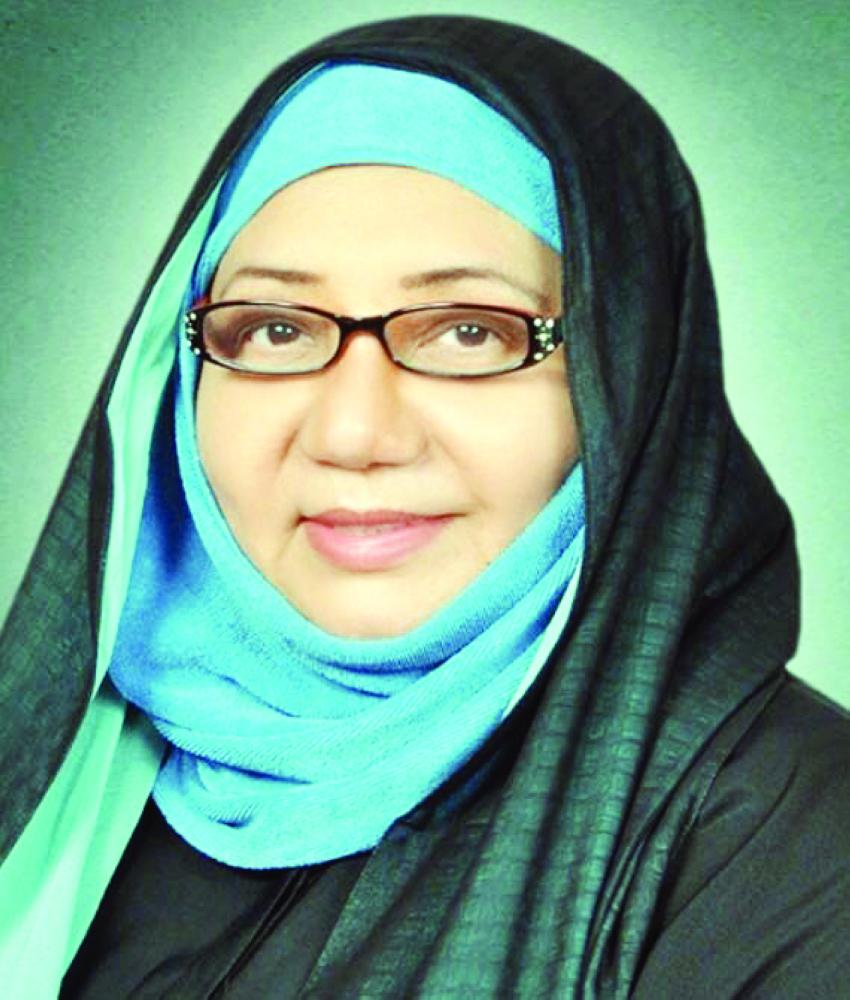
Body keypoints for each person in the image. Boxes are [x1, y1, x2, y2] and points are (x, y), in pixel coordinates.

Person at [1, 14, 848, 999]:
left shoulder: (793, 846)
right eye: (274, 328)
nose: (355, 432)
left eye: (470, 332)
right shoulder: (64, 774)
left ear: (628, 374)